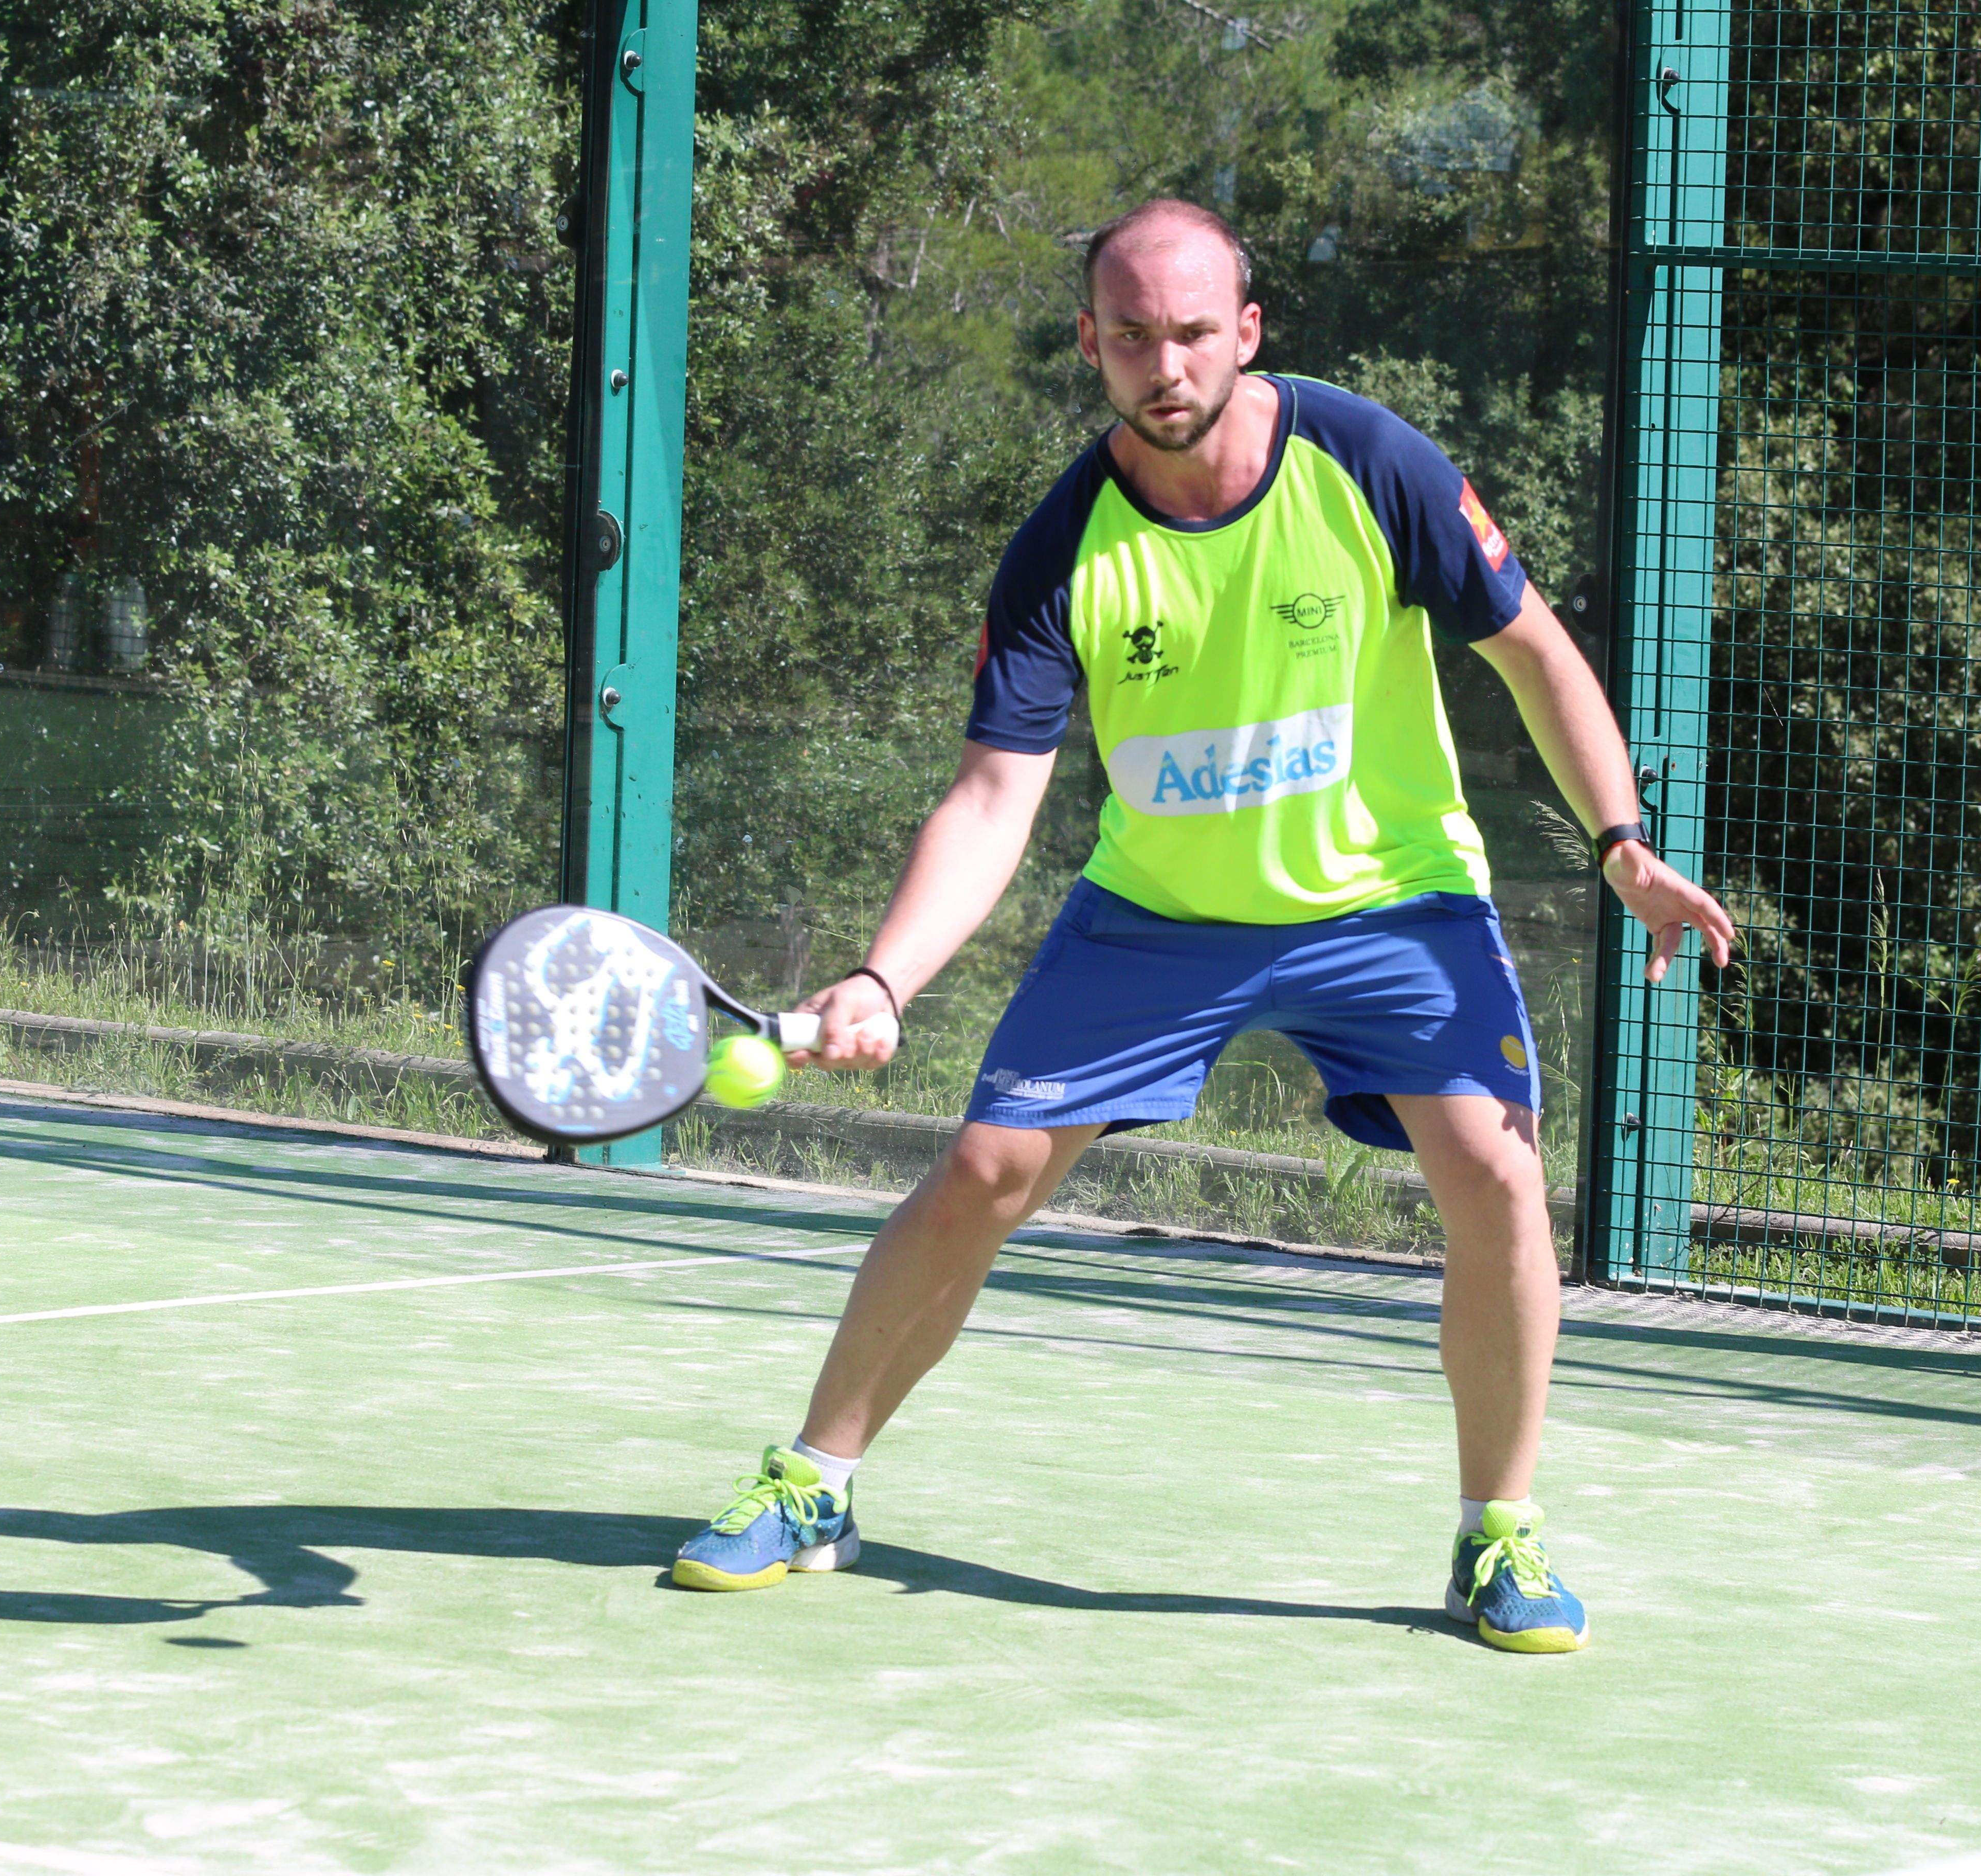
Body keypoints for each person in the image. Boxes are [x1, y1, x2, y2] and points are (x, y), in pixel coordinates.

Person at [669, 199, 1733, 1652]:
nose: (1162, 365)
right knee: (983, 1168)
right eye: (1130, 339)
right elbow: (994, 796)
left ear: (1244, 333)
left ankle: (1501, 1539)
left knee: (1494, 1173)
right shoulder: (1063, 549)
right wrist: (885, 975)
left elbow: (1535, 654)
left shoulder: (1371, 463)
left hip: (1388, 899)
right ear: (1092, 348)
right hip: (1162, 912)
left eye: (1189, 333)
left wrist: (1620, 844)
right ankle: (816, 1480)